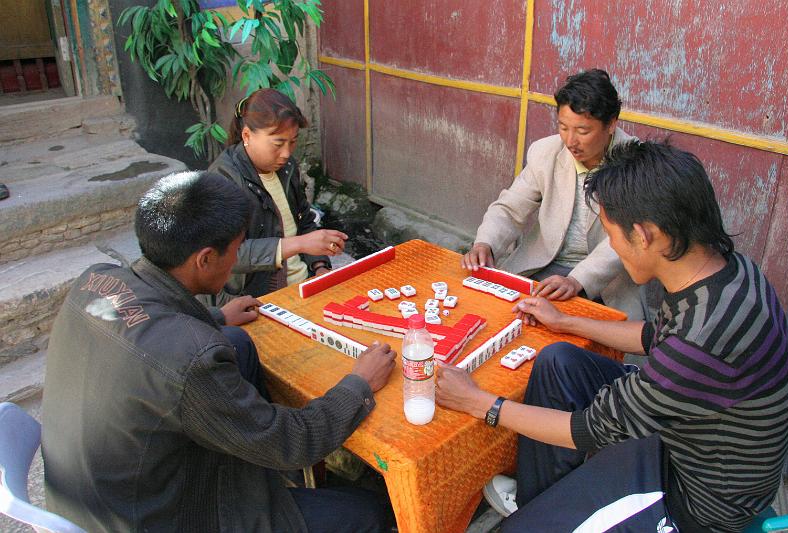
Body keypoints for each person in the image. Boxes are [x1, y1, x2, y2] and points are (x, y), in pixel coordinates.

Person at [438, 141, 788, 532]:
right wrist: (566, 322)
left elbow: (587, 429)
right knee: (560, 361)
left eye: (611, 235)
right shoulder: (728, 270)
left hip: (698, 496)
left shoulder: (698, 343)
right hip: (692, 430)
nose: (612, 247)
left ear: (643, 235)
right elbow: (654, 335)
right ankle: (539, 504)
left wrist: (480, 403)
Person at [42, 171, 397, 532]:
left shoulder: (96, 278)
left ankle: (271, 465)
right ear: (206, 259)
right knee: (367, 512)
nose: (237, 258)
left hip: (91, 494)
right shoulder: (193, 359)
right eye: (237, 249)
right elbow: (291, 442)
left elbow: (143, 324)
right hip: (153, 517)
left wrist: (217, 317)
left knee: (236, 340)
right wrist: (359, 383)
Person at [462, 69, 643, 319]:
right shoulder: (545, 152)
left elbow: (629, 238)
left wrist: (578, 280)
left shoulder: (637, 162)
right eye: (563, 127)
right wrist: (485, 243)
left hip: (607, 282)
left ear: (611, 124)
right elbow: (509, 209)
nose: (571, 141)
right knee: (489, 315)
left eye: (583, 131)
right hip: (543, 267)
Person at [203, 88, 348, 306]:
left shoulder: (287, 168)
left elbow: (305, 222)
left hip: (304, 286)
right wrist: (299, 244)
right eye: (278, 144)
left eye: (293, 142)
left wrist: (320, 267)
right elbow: (225, 255)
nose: (286, 153)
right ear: (246, 136)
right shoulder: (223, 178)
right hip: (257, 301)